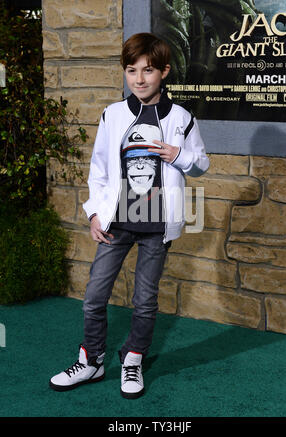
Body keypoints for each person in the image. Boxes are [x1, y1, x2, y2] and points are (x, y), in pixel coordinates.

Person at [49, 33, 209, 399]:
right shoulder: (113, 114)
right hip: (117, 223)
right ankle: (91, 361)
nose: (139, 78)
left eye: (148, 70)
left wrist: (178, 155)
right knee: (93, 295)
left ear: (164, 72)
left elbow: (201, 165)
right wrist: (94, 213)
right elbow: (99, 170)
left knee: (145, 299)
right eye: (131, 70)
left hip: (156, 227)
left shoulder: (182, 118)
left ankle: (133, 360)